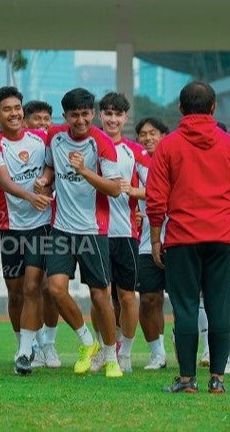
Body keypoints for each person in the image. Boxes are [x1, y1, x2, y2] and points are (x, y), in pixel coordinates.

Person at [146, 81, 230, 394]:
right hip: (222, 237)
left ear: (180, 109)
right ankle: (217, 379)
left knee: (186, 309)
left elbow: (156, 198)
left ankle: (186, 379)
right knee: (220, 307)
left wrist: (155, 238)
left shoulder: (168, 146)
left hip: (182, 238)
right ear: (213, 107)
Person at [37, 87, 124, 378]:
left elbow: (114, 189)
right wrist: (44, 181)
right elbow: (50, 167)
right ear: (66, 116)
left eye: (86, 114)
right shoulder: (55, 137)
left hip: (93, 230)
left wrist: (85, 171)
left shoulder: (102, 144)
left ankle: (111, 356)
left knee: (100, 295)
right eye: (75, 115)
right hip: (61, 227)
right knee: (54, 289)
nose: (81, 120)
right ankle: (88, 343)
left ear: (93, 113)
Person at [0, 87, 54, 375]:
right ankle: (24, 343)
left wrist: (45, 180)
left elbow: (51, 167)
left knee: (34, 287)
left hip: (41, 224)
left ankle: (28, 351)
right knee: (15, 292)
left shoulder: (41, 139)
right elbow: (4, 181)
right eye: (7, 109)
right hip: (10, 226)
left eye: (17, 107)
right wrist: (29, 195)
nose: (14, 113)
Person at [97, 92, 151, 373]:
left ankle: (126, 353)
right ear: (100, 116)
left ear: (125, 118)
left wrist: (134, 191)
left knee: (127, 296)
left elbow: (157, 188)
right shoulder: (89, 146)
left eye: (118, 114)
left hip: (126, 232)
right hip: (93, 232)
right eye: (108, 113)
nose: (112, 119)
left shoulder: (135, 151)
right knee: (99, 295)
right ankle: (104, 350)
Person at [23, 99, 62, 363]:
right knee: (30, 288)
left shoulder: (59, 145)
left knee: (49, 287)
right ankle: (34, 346)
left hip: (54, 223)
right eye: (37, 119)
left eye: (47, 119)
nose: (43, 123)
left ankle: (49, 343)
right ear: (26, 122)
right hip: (21, 225)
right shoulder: (20, 147)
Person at [133, 117, 170, 370]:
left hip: (179, 240)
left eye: (153, 133)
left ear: (164, 135)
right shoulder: (135, 163)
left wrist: (136, 193)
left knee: (184, 300)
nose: (148, 138)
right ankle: (158, 353)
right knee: (148, 299)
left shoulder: (175, 160)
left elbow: (168, 192)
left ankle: (200, 349)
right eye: (143, 134)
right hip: (146, 242)